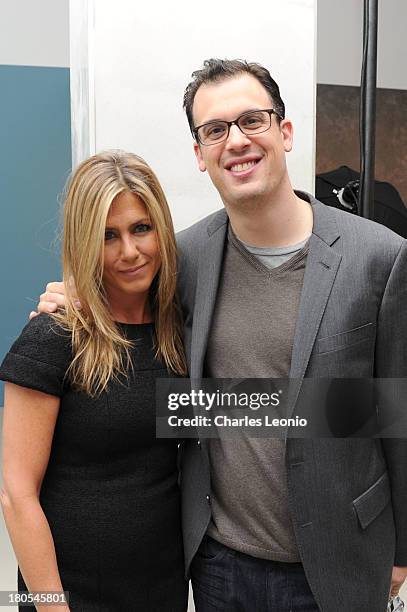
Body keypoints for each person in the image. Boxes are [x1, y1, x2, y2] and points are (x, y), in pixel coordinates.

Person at [35, 59, 407, 612]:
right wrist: (73, 300)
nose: (236, 141)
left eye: (252, 120)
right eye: (215, 129)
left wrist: (400, 546)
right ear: (200, 153)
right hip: (217, 566)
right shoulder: (182, 258)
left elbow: (393, 413)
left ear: (284, 131)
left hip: (338, 559)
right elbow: (126, 298)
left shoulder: (380, 256)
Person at [0, 151, 188, 611]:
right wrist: (50, 605)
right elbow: (15, 494)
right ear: (85, 242)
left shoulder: (179, 334)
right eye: (108, 236)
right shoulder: (55, 335)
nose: (129, 251)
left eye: (141, 228)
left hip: (161, 589)